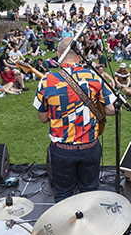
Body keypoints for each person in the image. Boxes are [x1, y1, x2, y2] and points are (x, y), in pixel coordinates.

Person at [35, 37, 117, 201]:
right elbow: (111, 110)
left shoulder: (47, 81)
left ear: (59, 55)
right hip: (90, 147)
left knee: (64, 195)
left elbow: (43, 118)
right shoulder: (94, 77)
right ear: (80, 55)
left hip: (62, 150)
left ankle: (66, 225)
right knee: (89, 193)